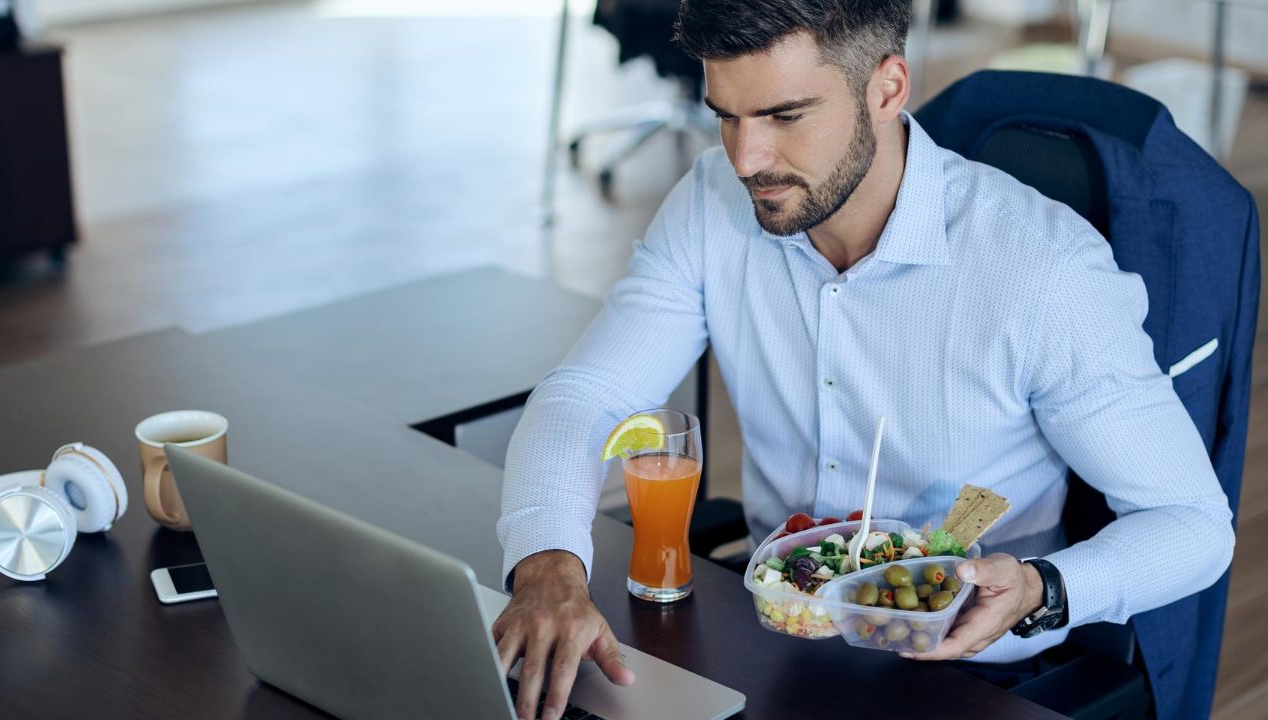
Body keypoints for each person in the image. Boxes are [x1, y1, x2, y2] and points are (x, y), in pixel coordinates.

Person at [492, 2, 1235, 719]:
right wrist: (549, 562)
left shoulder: (1043, 270)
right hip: (780, 642)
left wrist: (1046, 586)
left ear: (887, 87)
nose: (747, 159)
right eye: (726, 116)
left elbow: (1193, 525)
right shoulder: (711, 205)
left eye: (785, 116)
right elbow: (586, 395)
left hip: (965, 674)